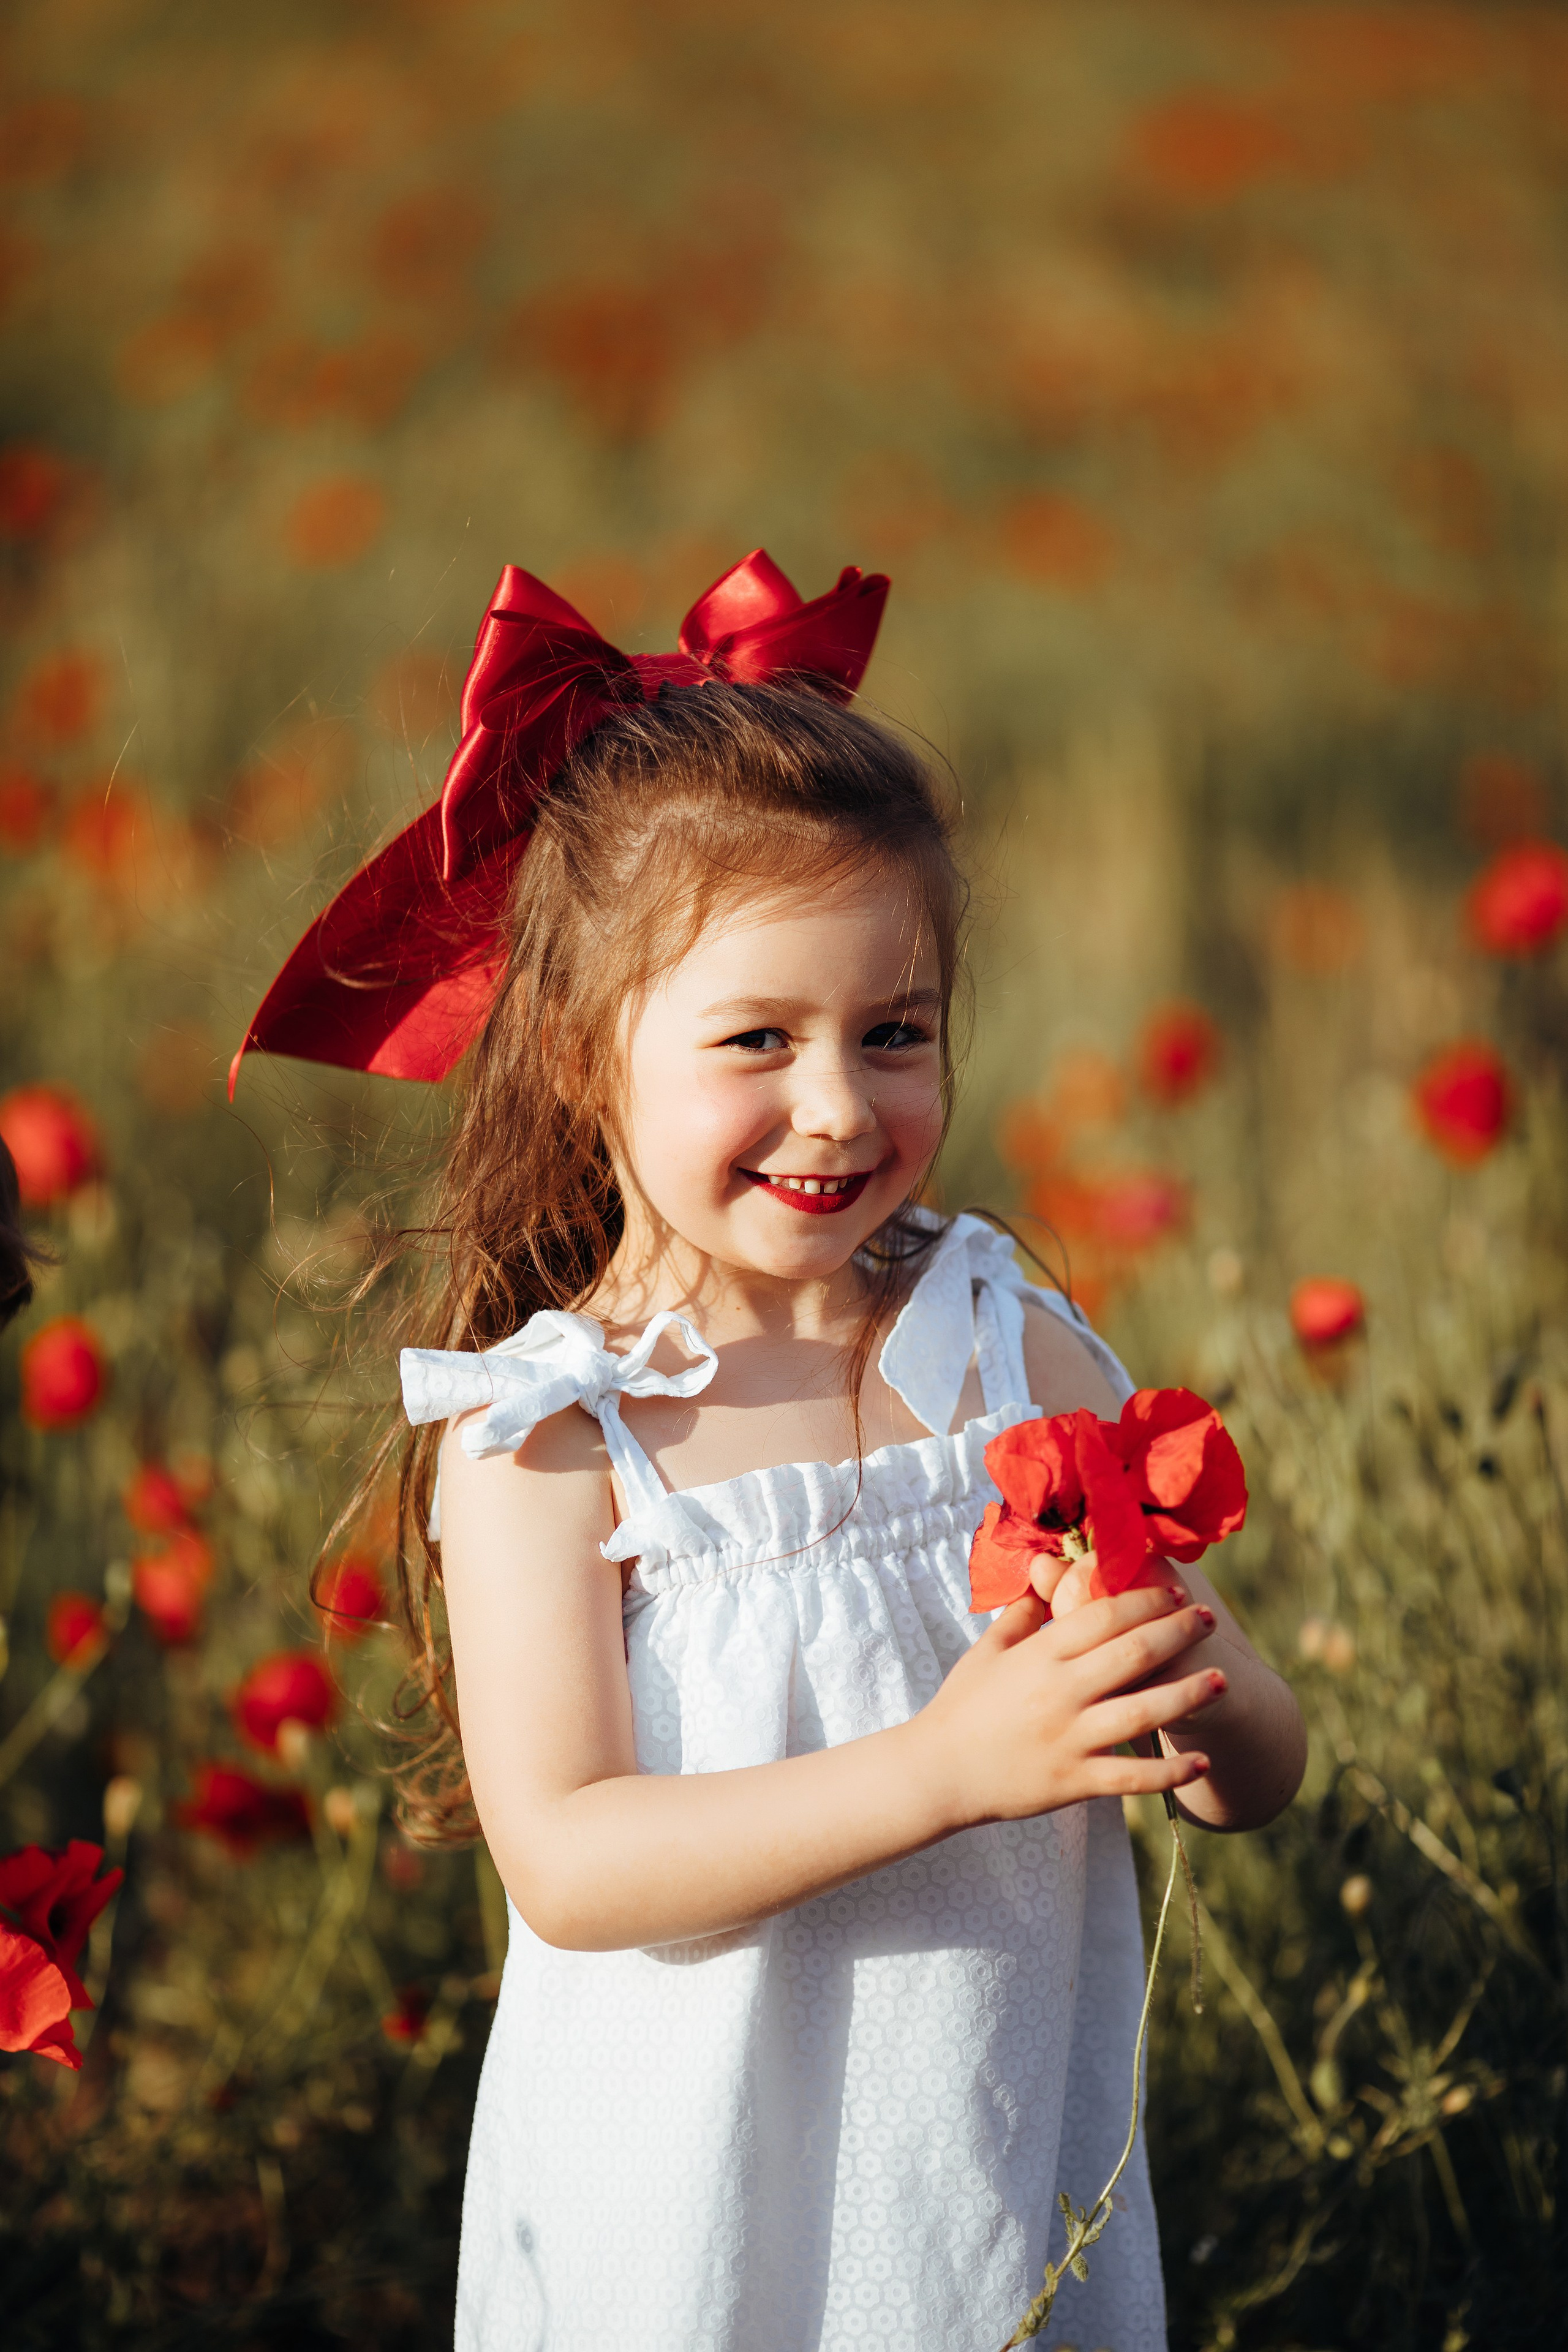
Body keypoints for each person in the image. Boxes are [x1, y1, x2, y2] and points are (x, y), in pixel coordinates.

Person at [236, 551, 1306, 2352]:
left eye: (896, 1035)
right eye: (760, 1041)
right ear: (585, 1054)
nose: (840, 1106)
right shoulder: (552, 1436)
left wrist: (1191, 1705)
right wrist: (948, 1768)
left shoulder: (1002, 1346)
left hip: (975, 2171)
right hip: (689, 2205)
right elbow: (571, 1860)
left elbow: (1253, 1752)